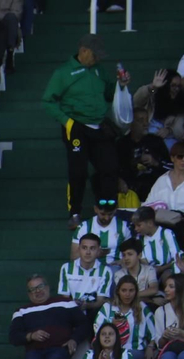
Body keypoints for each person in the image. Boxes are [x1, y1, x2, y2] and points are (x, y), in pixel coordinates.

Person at [41, 33, 124, 221]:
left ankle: (107, 207)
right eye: (95, 55)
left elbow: (109, 94)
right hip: (76, 126)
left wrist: (121, 84)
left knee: (109, 166)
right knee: (78, 170)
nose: (97, 59)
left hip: (99, 125)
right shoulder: (63, 73)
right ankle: (75, 211)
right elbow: (48, 102)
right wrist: (67, 121)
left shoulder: (99, 70)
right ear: (83, 51)